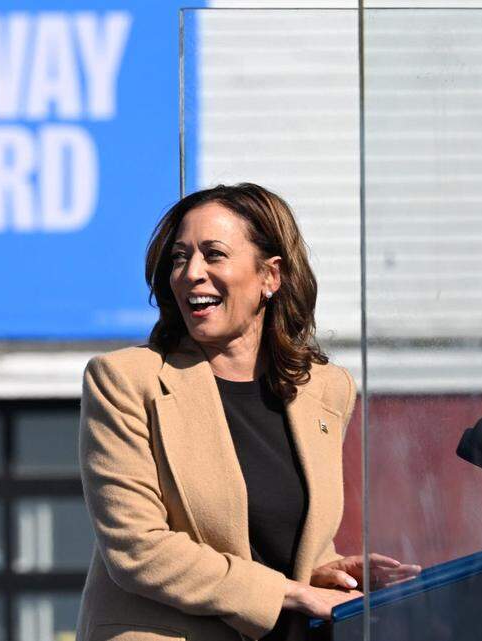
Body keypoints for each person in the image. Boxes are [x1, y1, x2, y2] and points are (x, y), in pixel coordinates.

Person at [76, 184, 419, 641]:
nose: (191, 273)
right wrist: (287, 593)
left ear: (270, 277)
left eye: (213, 254)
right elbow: (137, 548)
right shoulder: (123, 380)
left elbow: (273, 536)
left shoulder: (325, 389)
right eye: (180, 258)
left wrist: (322, 572)